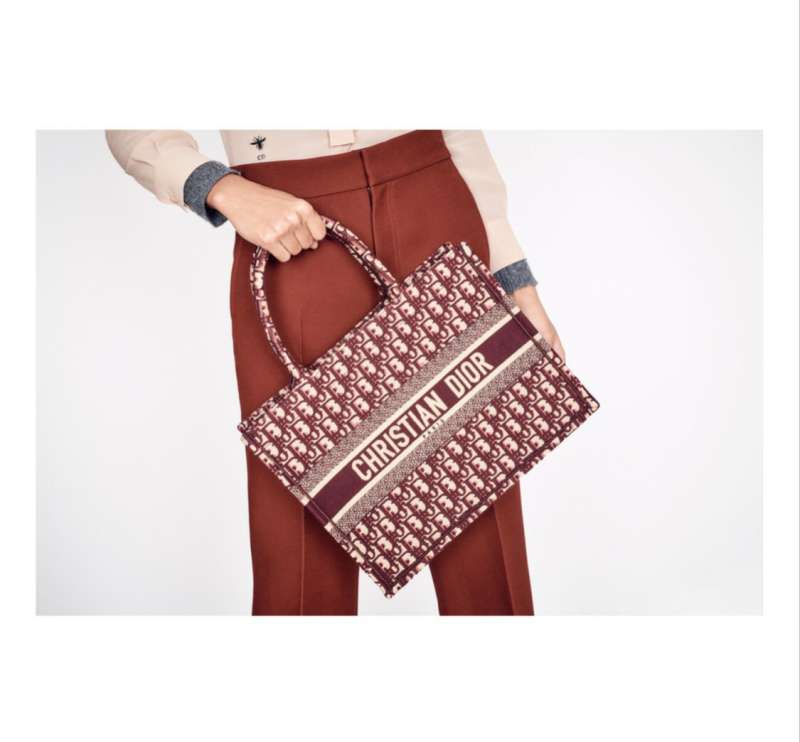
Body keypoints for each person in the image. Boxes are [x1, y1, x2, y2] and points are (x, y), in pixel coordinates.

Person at [106, 129, 564, 616]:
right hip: (290, 232)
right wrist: (221, 187)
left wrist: (515, 281)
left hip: (434, 203)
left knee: (482, 524)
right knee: (303, 544)